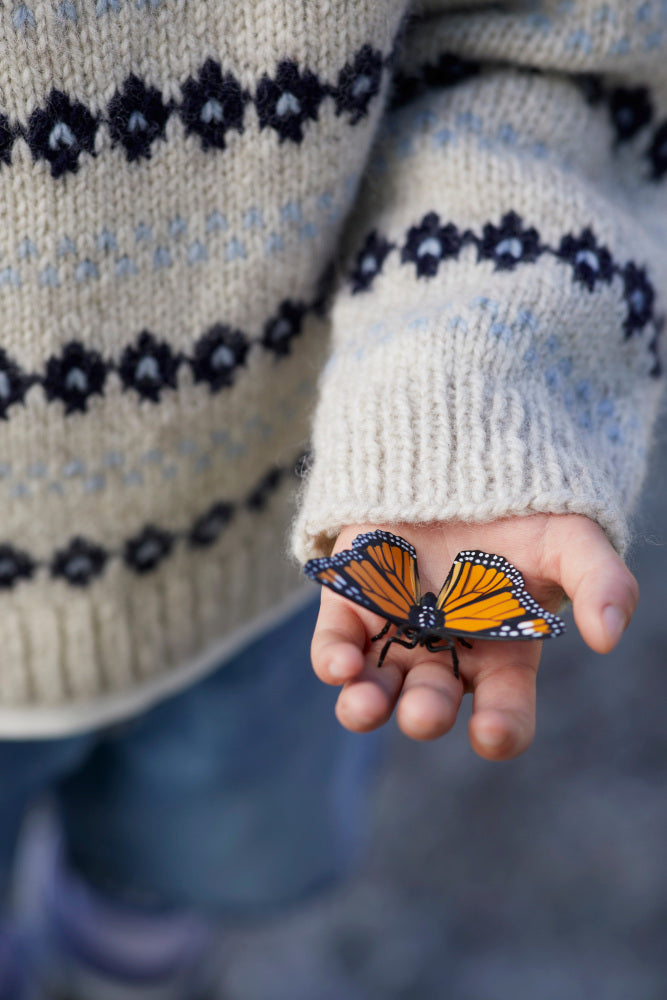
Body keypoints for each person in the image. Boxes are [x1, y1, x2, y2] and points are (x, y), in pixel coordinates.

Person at [0, 0, 663, 996]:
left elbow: (546, 52)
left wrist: (458, 399)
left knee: (204, 859)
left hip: (270, 559)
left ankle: (121, 960)